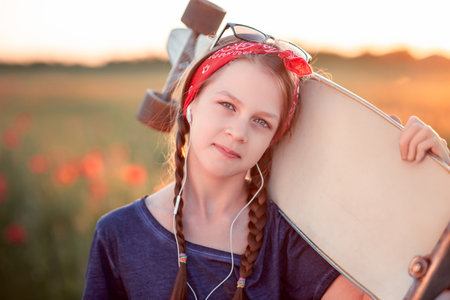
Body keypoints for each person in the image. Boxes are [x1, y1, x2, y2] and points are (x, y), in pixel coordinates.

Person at [82, 23, 450, 300]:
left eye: (261, 121)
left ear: (274, 138)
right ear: (191, 103)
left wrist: (421, 178)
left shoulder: (285, 237)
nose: (238, 132)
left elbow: (394, 282)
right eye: (227, 106)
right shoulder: (119, 235)